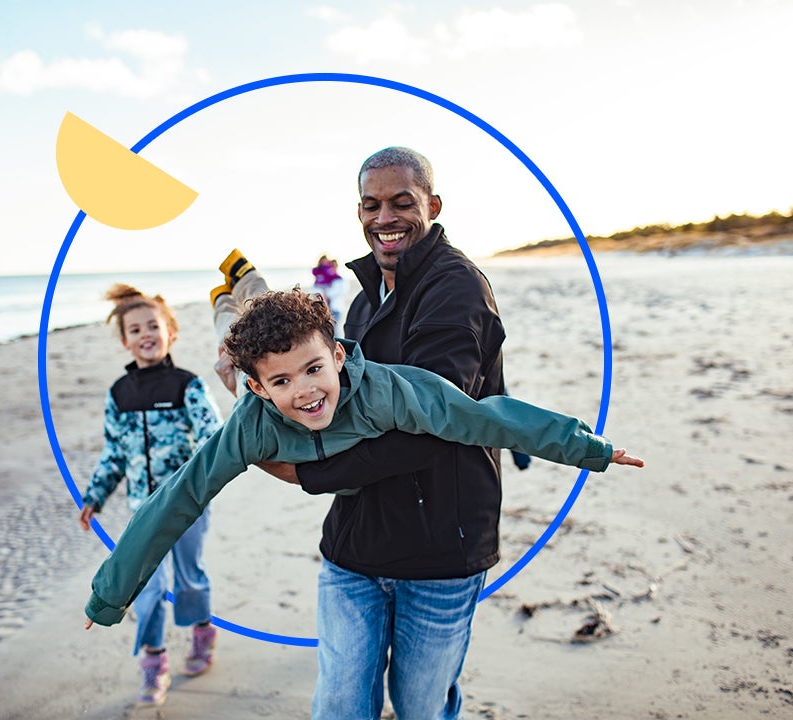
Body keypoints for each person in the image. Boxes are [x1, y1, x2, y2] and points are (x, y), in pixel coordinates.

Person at [81, 287, 643, 633]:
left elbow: (485, 418)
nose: (305, 391)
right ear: (261, 388)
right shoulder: (250, 419)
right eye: (281, 380)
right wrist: (110, 595)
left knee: (265, 314)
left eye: (314, 370)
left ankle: (243, 287)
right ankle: (228, 298)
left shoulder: (388, 392)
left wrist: (584, 447)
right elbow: (177, 498)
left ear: (340, 356)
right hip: (261, 402)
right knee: (228, 339)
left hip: (325, 407)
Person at [274, 146, 549, 719]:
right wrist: (262, 387)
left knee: (422, 707)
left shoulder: (457, 289)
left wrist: (314, 474)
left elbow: (434, 423)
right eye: (372, 205)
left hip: (439, 551)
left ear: (433, 204)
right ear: (358, 211)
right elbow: (336, 406)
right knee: (342, 704)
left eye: (402, 203)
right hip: (355, 545)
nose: (385, 218)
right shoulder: (363, 296)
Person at [78, 284, 223, 706]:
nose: (146, 334)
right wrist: (95, 495)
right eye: (135, 328)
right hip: (143, 511)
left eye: (153, 326)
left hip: (187, 506)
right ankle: (153, 662)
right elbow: (114, 453)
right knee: (148, 588)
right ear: (125, 340)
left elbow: (213, 437)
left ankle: (201, 632)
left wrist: (199, 482)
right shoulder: (119, 395)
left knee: (190, 576)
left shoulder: (187, 385)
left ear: (170, 332)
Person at [312, 254, 347, 327]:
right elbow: (315, 290)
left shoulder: (339, 280)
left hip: (335, 308)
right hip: (325, 308)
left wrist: (326, 294)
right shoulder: (325, 278)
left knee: (334, 329)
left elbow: (341, 292)